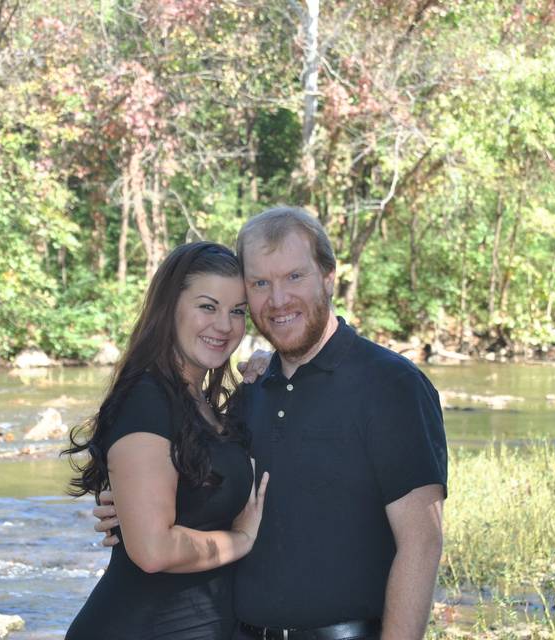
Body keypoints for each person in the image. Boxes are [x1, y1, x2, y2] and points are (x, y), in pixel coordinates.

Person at [95, 207, 447, 640]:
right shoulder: (252, 391)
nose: (278, 299)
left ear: (329, 277)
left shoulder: (391, 385)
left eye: (294, 277)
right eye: (260, 283)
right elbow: (208, 494)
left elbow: (422, 542)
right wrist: (132, 510)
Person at [63, 242, 270, 640]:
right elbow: (153, 550)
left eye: (237, 311)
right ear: (169, 307)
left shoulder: (201, 404)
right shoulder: (146, 401)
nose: (225, 325)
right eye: (207, 306)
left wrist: (271, 365)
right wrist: (241, 539)